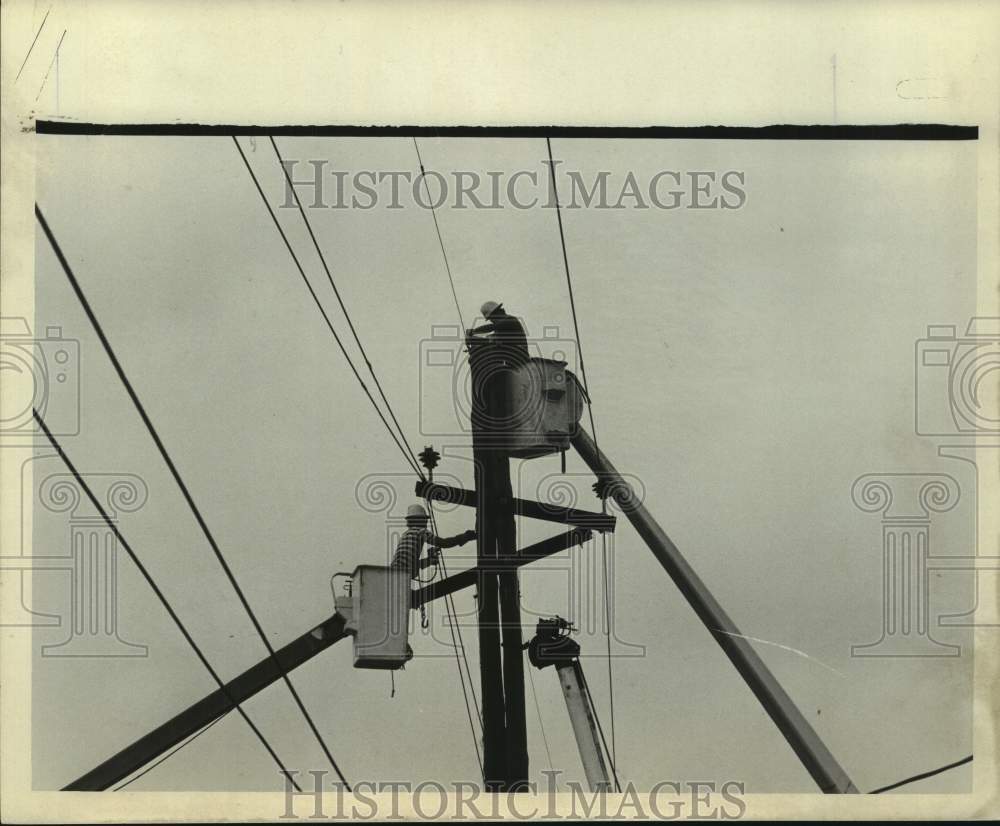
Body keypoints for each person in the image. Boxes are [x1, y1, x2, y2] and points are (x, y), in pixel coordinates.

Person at [389, 504, 476, 580]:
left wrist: (429, 560)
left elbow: (411, 563)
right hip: (404, 573)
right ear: (419, 520)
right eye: (425, 520)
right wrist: (465, 537)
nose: (426, 522)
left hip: (393, 572)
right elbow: (444, 543)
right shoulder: (421, 531)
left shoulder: (405, 535)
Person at [467, 300, 530, 366]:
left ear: (496, 314)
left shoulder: (510, 320)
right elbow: (491, 339)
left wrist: (474, 331)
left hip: (521, 361)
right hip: (511, 363)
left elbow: (492, 327)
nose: (491, 321)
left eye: (491, 318)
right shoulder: (501, 329)